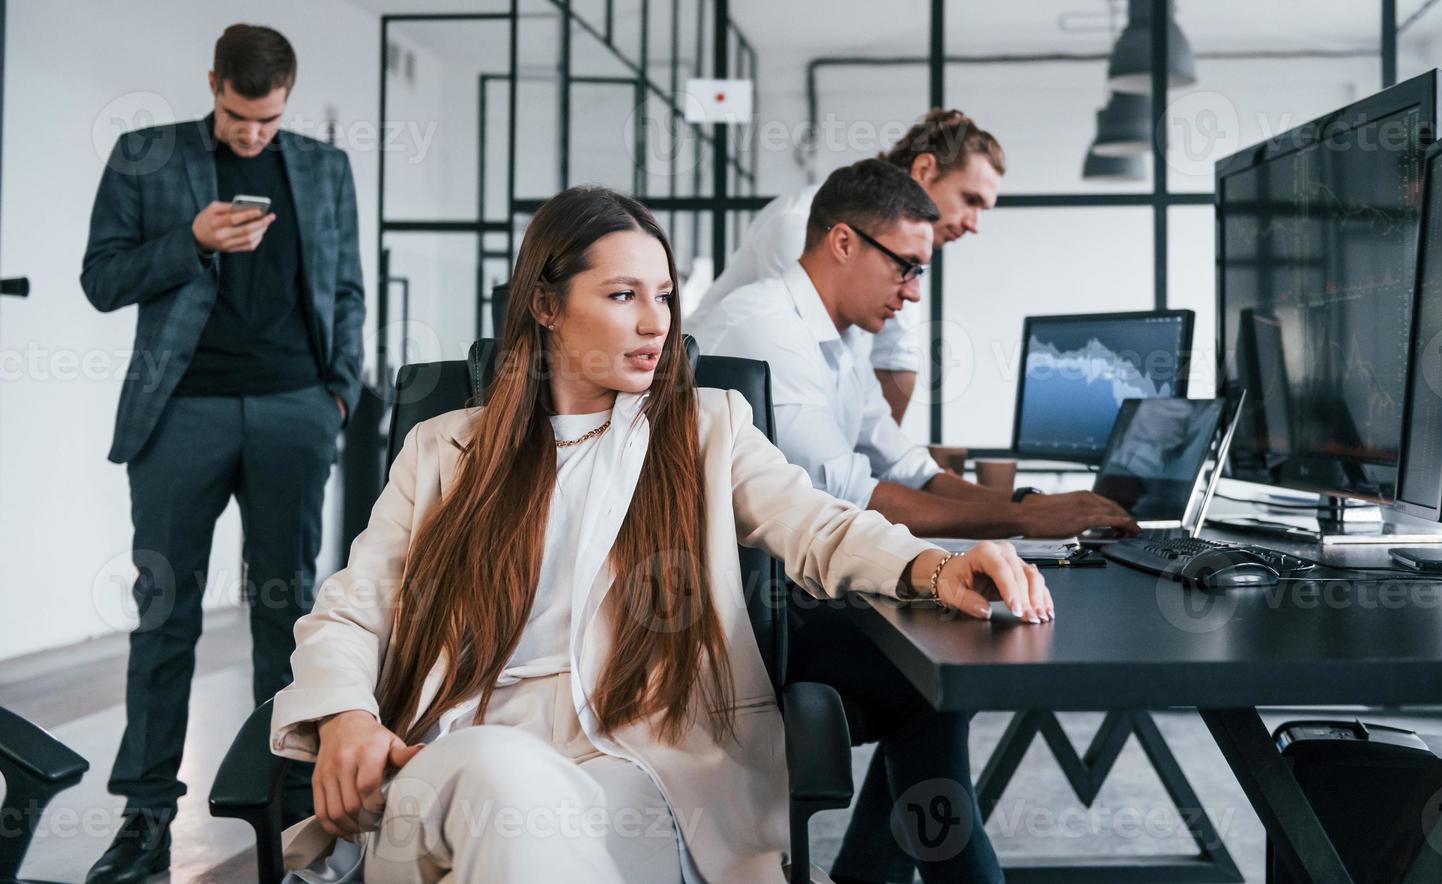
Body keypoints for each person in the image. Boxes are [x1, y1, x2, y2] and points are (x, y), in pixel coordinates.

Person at [266, 186, 1048, 883]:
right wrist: (345, 715)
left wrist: (934, 567)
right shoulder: (441, 450)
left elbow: (816, 525)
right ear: (545, 306)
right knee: (492, 769)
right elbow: (352, 606)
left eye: (665, 295)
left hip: (643, 775)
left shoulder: (707, 430)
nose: (654, 322)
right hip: (455, 755)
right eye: (621, 294)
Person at [79, 24, 365, 883]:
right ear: (214, 86)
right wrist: (193, 241)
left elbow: (345, 286)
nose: (253, 136)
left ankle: (289, 814)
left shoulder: (322, 166)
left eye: (268, 120)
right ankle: (145, 819)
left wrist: (335, 396)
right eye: (241, 117)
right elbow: (101, 280)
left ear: (288, 99)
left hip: (293, 410)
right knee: (165, 614)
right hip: (181, 415)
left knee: (289, 618)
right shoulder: (146, 157)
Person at [695, 158, 1137, 541]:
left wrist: (1027, 502)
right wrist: (1022, 517)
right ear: (844, 243)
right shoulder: (766, 326)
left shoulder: (845, 338)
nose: (914, 294)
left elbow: (906, 466)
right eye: (905, 267)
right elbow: (846, 496)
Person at [686, 108, 1004, 423]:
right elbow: (816, 356)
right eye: (970, 199)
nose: (975, 224)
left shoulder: (898, 248)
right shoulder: (800, 223)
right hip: (695, 400)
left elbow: (897, 355)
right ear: (924, 169)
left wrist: (883, 461)